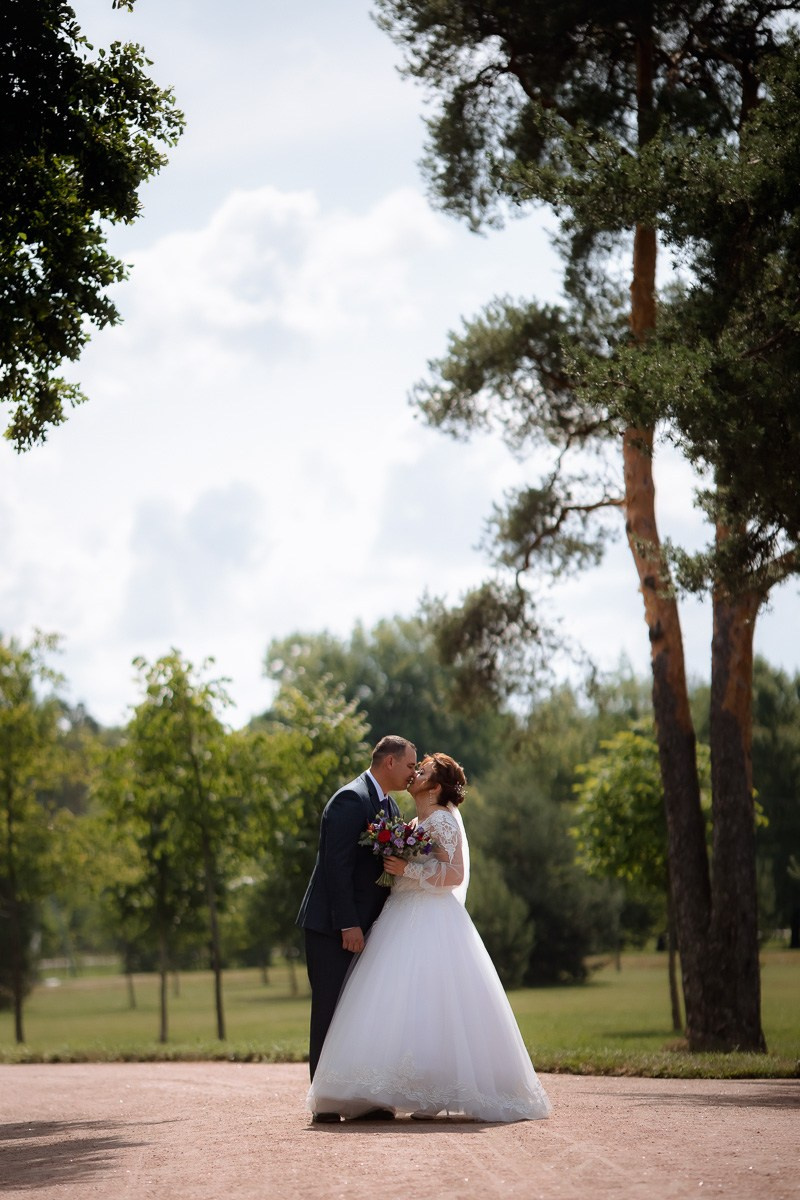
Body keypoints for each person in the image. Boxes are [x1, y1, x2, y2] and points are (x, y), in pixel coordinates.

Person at [307, 753, 552, 1124]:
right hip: (398, 916)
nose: (415, 773)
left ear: (435, 787)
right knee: (393, 1003)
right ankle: (386, 1089)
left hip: (431, 918)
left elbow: (455, 874)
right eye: (414, 766)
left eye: (422, 771)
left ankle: (439, 1088)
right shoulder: (411, 820)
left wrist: (408, 870)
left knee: (434, 1001)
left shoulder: (441, 820)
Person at [296, 734, 417, 1121]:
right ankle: (327, 1103)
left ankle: (365, 1098)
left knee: (364, 1011)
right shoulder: (350, 799)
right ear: (390, 763)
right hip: (332, 929)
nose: (414, 772)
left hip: (369, 929)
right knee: (330, 1011)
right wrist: (348, 923)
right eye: (410, 765)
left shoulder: (389, 804)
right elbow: (337, 868)